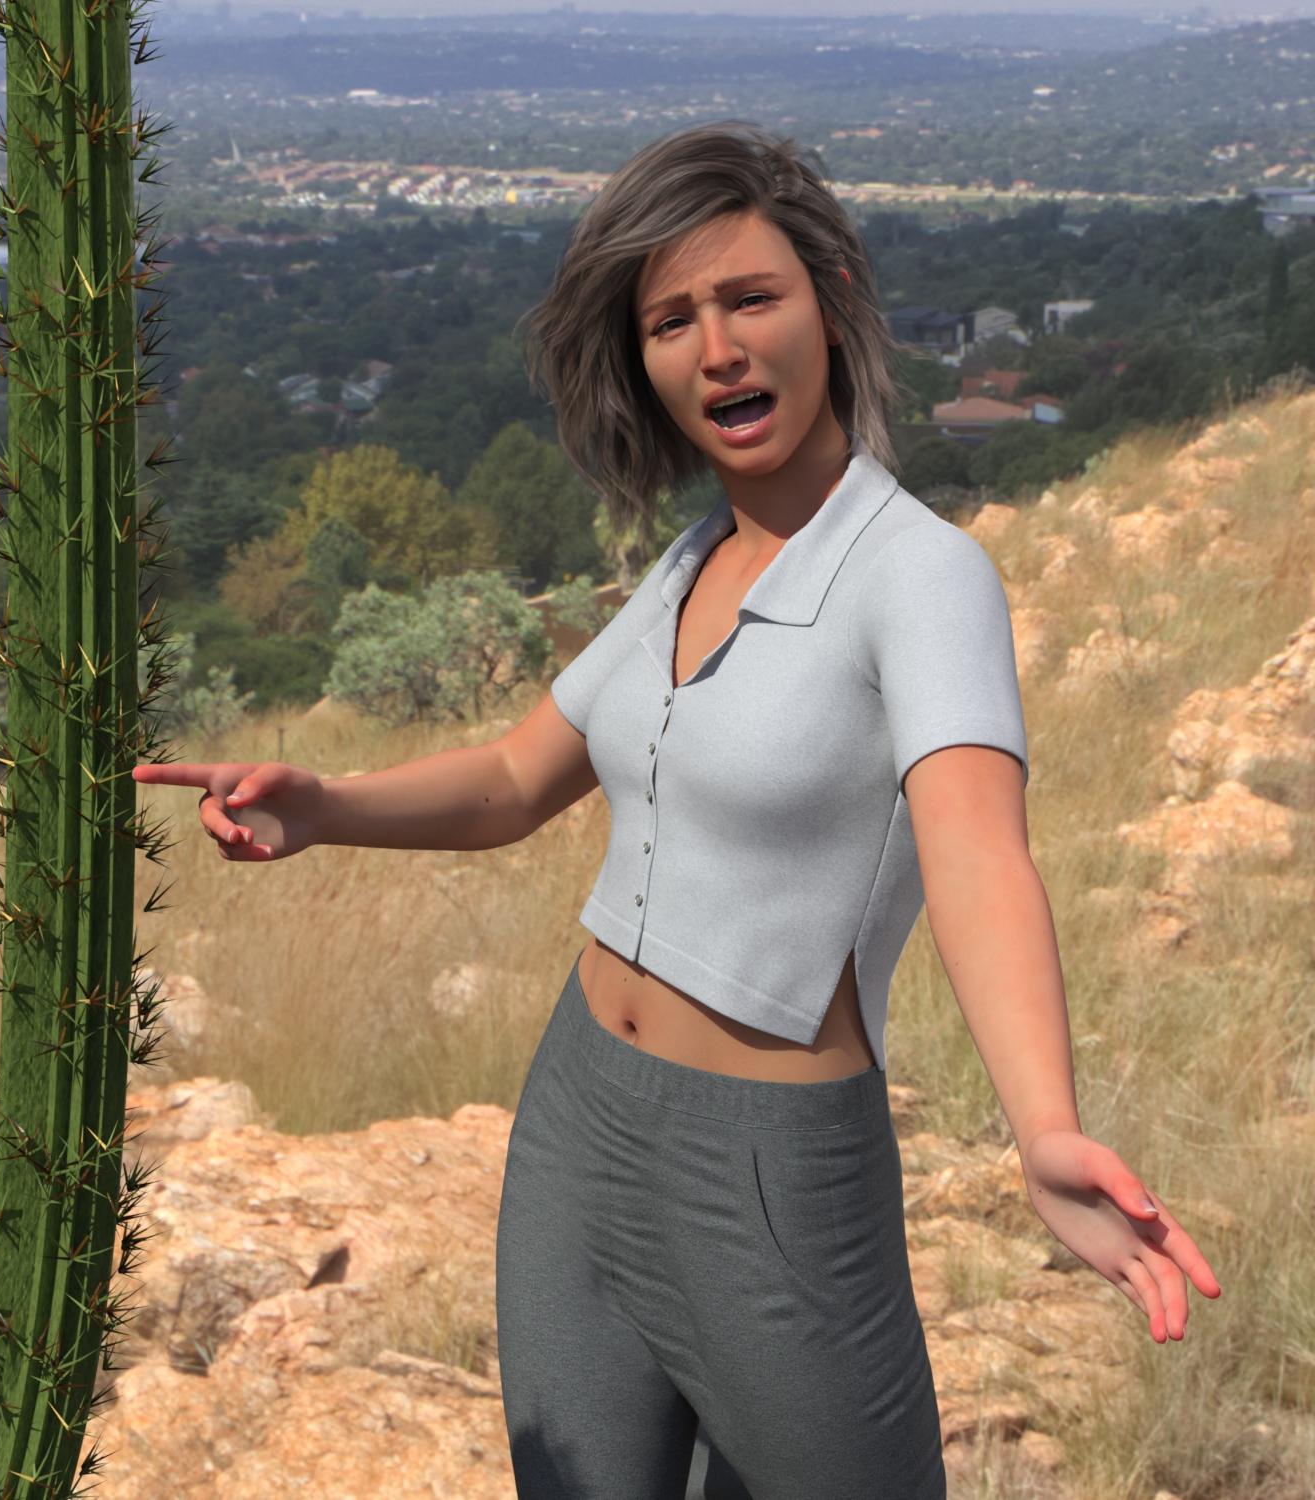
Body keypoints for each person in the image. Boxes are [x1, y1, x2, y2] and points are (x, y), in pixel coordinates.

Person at [130, 120, 1221, 1499]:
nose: (719, 351)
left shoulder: (921, 576)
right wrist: (326, 803)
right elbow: (517, 777)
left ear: (831, 304)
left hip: (769, 1177)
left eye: (751, 299)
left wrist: (1043, 1125)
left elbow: (978, 856)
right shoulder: (691, 561)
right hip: (577, 1123)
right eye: (671, 321)